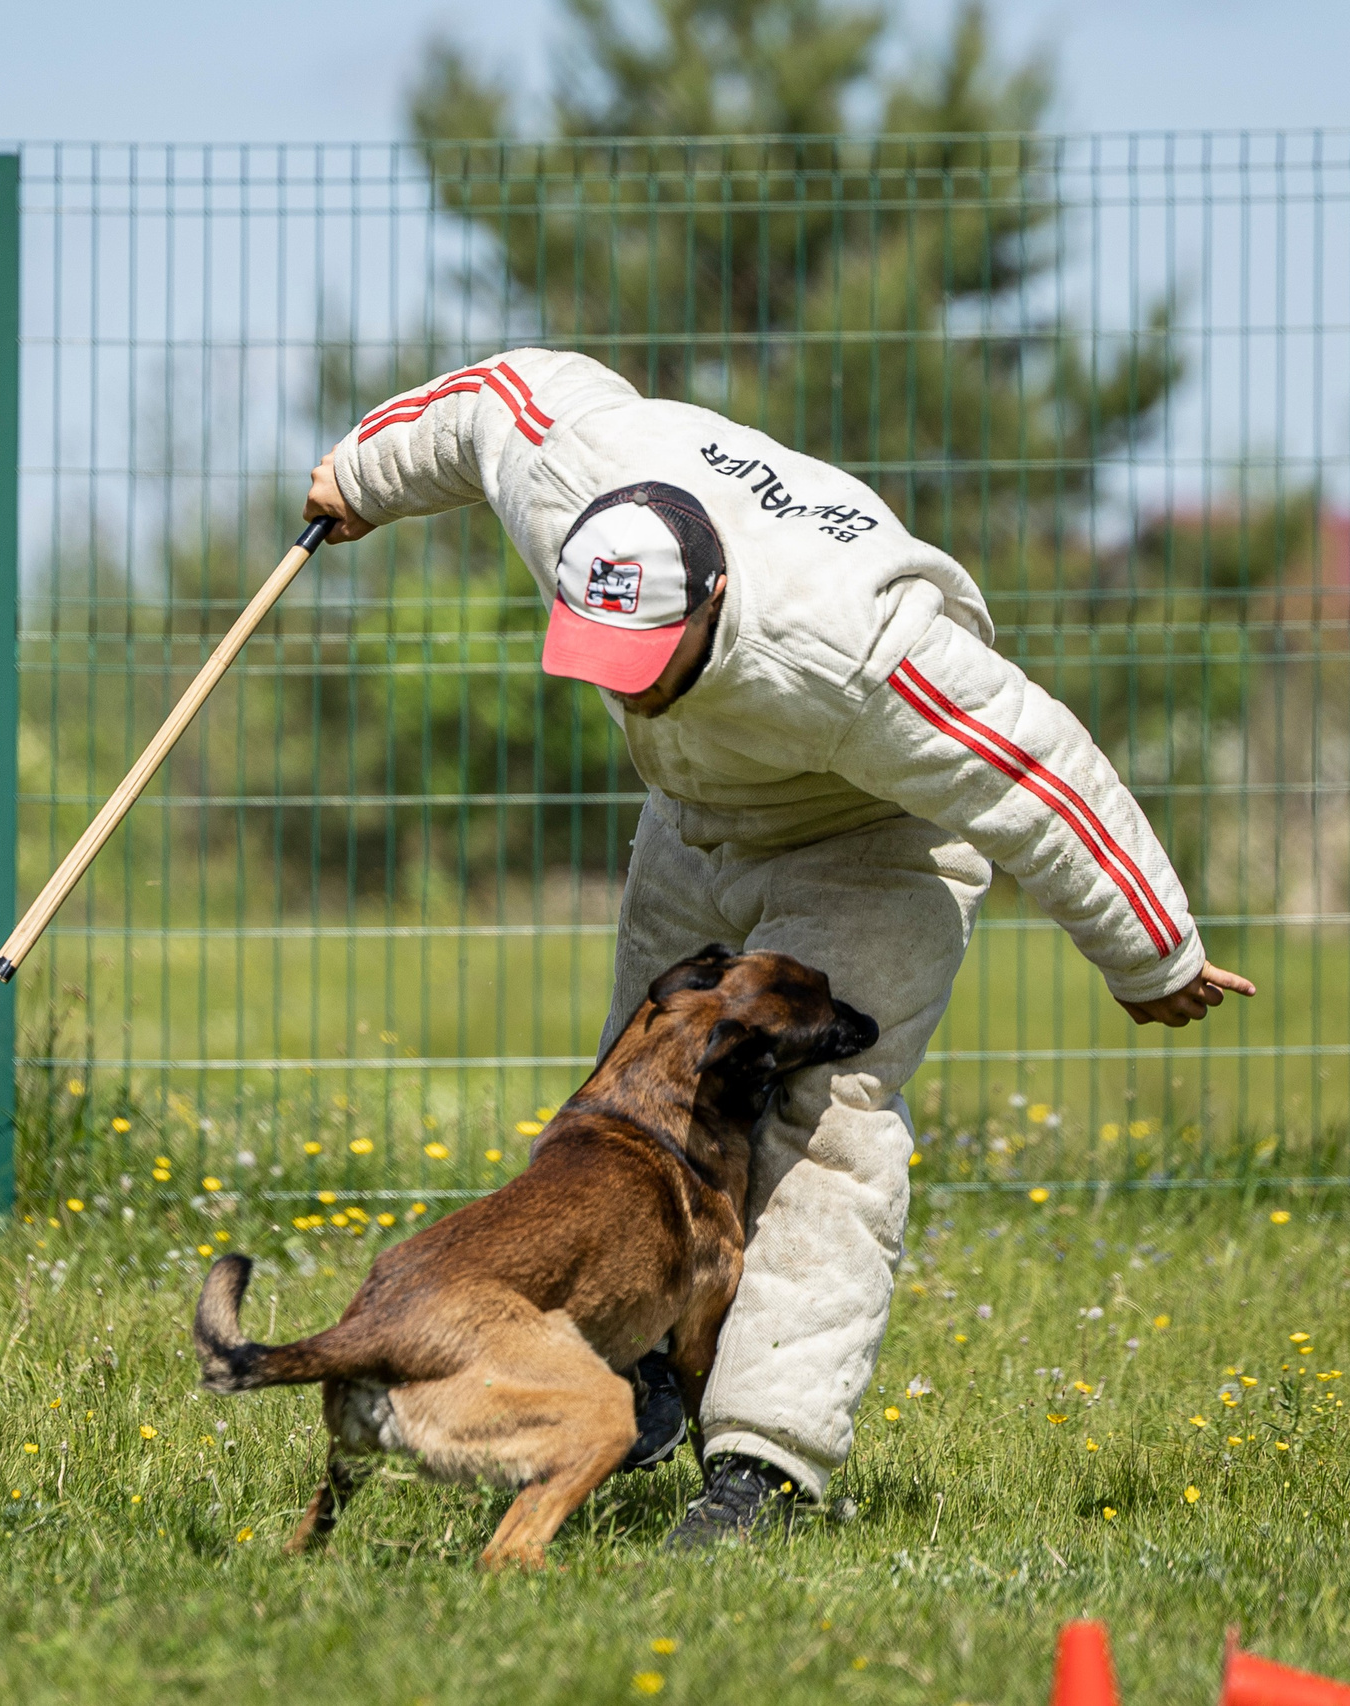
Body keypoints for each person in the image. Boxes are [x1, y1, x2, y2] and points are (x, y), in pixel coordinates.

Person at [303, 348, 1253, 1549]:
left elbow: (1036, 769)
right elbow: (500, 398)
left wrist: (1152, 952)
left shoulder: (860, 646)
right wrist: (358, 474)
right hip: (698, 817)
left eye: (651, 670)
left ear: (705, 604)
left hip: (868, 829)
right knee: (636, 1101)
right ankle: (640, 1362)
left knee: (825, 1120)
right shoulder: (574, 488)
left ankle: (758, 1461)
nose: (628, 696)